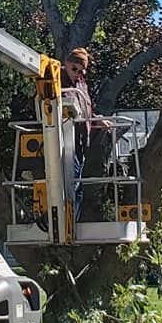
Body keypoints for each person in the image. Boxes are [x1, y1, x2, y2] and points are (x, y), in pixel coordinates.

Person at [60, 47, 93, 219]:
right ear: (66, 63)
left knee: (78, 187)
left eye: (81, 71)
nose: (77, 73)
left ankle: (73, 225)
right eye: (74, 69)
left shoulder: (81, 84)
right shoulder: (56, 79)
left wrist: (97, 120)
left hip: (79, 143)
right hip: (64, 140)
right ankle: (66, 223)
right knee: (69, 186)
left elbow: (85, 113)